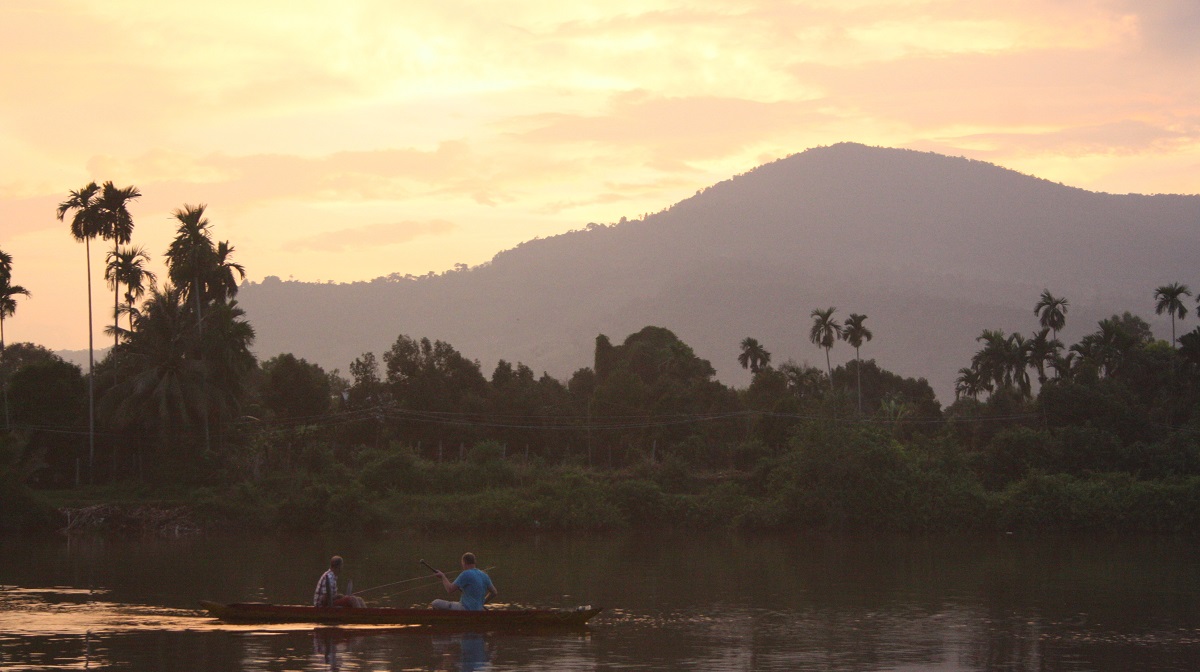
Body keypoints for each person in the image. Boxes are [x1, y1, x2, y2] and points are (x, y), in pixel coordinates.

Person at [432, 552, 497, 611]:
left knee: (435, 603)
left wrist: (443, 577)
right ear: (474, 562)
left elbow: (449, 589)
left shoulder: (466, 573)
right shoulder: (485, 575)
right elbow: (494, 592)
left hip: (465, 608)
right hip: (479, 609)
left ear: (464, 562)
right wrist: (481, 603)